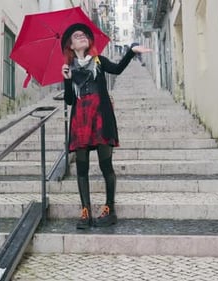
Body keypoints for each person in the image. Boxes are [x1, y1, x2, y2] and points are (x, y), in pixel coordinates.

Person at [60, 23, 151, 229]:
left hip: (100, 115)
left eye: (84, 35)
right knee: (81, 167)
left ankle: (110, 209)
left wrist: (131, 52)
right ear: (71, 45)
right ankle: (86, 212)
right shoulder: (70, 68)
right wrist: (66, 80)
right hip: (81, 118)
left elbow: (117, 70)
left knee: (105, 164)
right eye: (77, 35)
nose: (82, 37)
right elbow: (68, 100)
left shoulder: (98, 60)